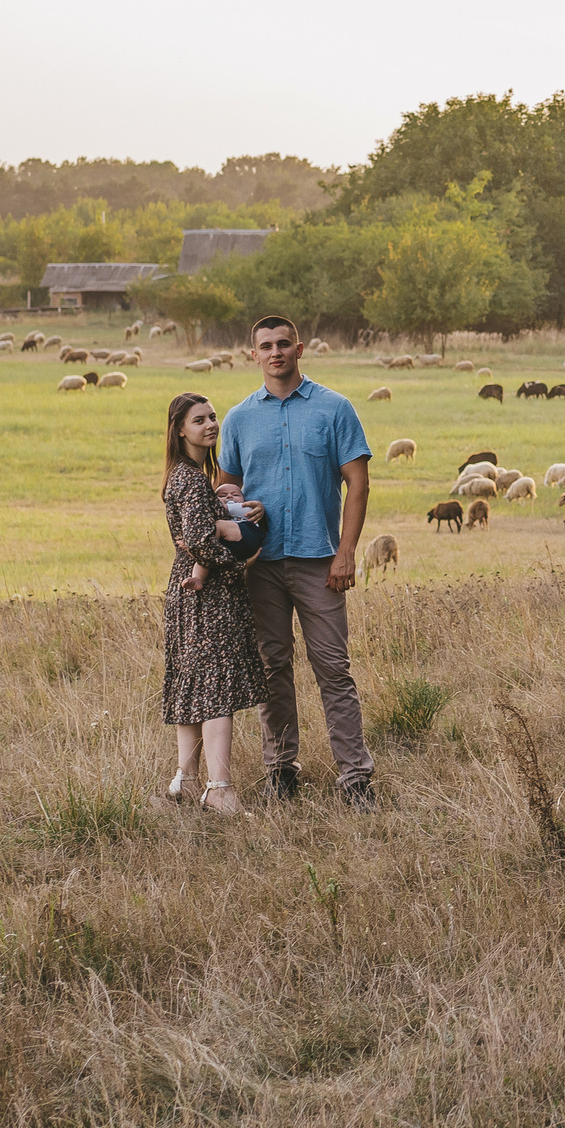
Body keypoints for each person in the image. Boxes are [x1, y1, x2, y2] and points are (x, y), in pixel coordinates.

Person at [217, 315, 378, 808]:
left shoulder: (335, 408)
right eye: (265, 346)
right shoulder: (239, 418)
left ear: (300, 348)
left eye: (283, 343)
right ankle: (282, 770)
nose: (275, 352)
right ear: (254, 355)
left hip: (319, 560)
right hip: (260, 565)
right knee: (273, 668)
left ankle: (355, 778)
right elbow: (225, 492)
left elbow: (358, 483)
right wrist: (242, 511)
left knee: (333, 668)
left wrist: (347, 551)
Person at [160, 393, 268, 816]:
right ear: (180, 429)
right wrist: (245, 552)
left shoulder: (186, 476)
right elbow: (204, 542)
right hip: (207, 597)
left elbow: (201, 537)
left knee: (194, 684)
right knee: (216, 690)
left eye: (212, 417)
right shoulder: (188, 479)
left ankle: (185, 780)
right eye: (198, 420)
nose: (210, 425)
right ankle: (218, 789)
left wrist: (230, 526)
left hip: (189, 591)